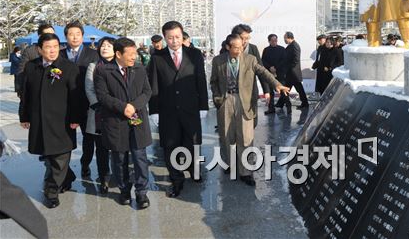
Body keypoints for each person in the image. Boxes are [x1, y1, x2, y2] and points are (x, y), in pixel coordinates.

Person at [210, 34, 289, 186]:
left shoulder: (250, 59)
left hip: (244, 101)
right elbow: (213, 81)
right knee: (227, 137)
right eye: (236, 48)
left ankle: (246, 172)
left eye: (242, 47)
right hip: (226, 101)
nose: (240, 50)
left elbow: (264, 72)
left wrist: (277, 85)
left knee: (246, 138)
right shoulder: (218, 61)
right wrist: (217, 98)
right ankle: (230, 165)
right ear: (228, 47)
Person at [148, 21, 209, 198]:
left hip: (191, 108)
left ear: (182, 36)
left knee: (192, 143)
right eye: (170, 37)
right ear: (165, 38)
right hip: (168, 111)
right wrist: (154, 110)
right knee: (170, 146)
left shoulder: (194, 54)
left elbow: (200, 81)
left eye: (177, 37)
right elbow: (154, 85)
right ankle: (176, 180)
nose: (174, 41)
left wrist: (203, 105)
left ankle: (193, 170)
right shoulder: (157, 57)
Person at [19, 33, 80, 208]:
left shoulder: (68, 67)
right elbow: (26, 94)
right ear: (40, 49)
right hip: (39, 119)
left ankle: (51, 191)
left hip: (62, 120)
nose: (52, 50)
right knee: (48, 154)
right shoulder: (32, 67)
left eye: (55, 46)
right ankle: (67, 176)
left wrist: (76, 118)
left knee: (61, 155)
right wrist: (24, 116)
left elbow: (76, 96)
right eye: (48, 47)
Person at [94, 37, 152, 209]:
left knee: (140, 157)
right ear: (118, 54)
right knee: (119, 158)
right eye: (131, 54)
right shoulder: (103, 71)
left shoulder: (139, 69)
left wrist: (133, 106)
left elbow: (147, 91)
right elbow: (102, 96)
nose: (134, 57)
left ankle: (142, 193)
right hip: (116, 120)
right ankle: (124, 190)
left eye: (135, 53)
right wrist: (122, 107)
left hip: (137, 118)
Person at [60, 21, 99, 179]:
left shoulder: (93, 54)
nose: (74, 37)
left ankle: (85, 164)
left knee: (88, 139)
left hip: (86, 104)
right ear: (66, 36)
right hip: (65, 104)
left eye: (78, 34)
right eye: (71, 34)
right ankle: (64, 170)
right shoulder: (60, 54)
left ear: (82, 36)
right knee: (64, 139)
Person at [84, 37, 116, 194]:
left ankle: (119, 174)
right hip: (98, 112)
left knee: (119, 146)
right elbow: (89, 88)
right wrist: (97, 104)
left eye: (108, 46)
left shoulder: (121, 64)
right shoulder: (93, 66)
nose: (104, 48)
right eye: (102, 46)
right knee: (101, 148)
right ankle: (104, 176)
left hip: (118, 112)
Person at [231, 24, 270, 127]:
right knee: (235, 124)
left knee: (252, 122)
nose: (245, 41)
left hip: (250, 92)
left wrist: (266, 91)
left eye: (247, 38)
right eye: (243, 38)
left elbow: (261, 70)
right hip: (233, 94)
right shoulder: (228, 48)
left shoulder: (253, 48)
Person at [17, 23, 55, 96]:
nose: (51, 37)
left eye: (53, 34)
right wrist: (21, 91)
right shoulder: (30, 51)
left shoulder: (60, 49)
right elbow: (21, 72)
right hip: (35, 92)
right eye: (48, 34)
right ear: (40, 36)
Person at [278, 32, 309, 115]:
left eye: (285, 38)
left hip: (293, 73)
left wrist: (288, 68)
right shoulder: (290, 46)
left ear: (289, 38)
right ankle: (280, 103)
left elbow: (296, 59)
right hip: (291, 73)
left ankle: (305, 104)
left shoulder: (295, 46)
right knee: (287, 88)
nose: (284, 40)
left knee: (298, 89)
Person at [261, 34, 286, 115]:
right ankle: (271, 108)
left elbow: (284, 60)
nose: (274, 42)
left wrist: (276, 67)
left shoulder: (282, 49)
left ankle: (288, 107)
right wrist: (270, 67)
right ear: (269, 41)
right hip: (269, 73)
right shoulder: (266, 50)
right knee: (270, 92)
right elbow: (263, 61)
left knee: (283, 91)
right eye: (272, 41)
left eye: (276, 40)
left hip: (280, 73)